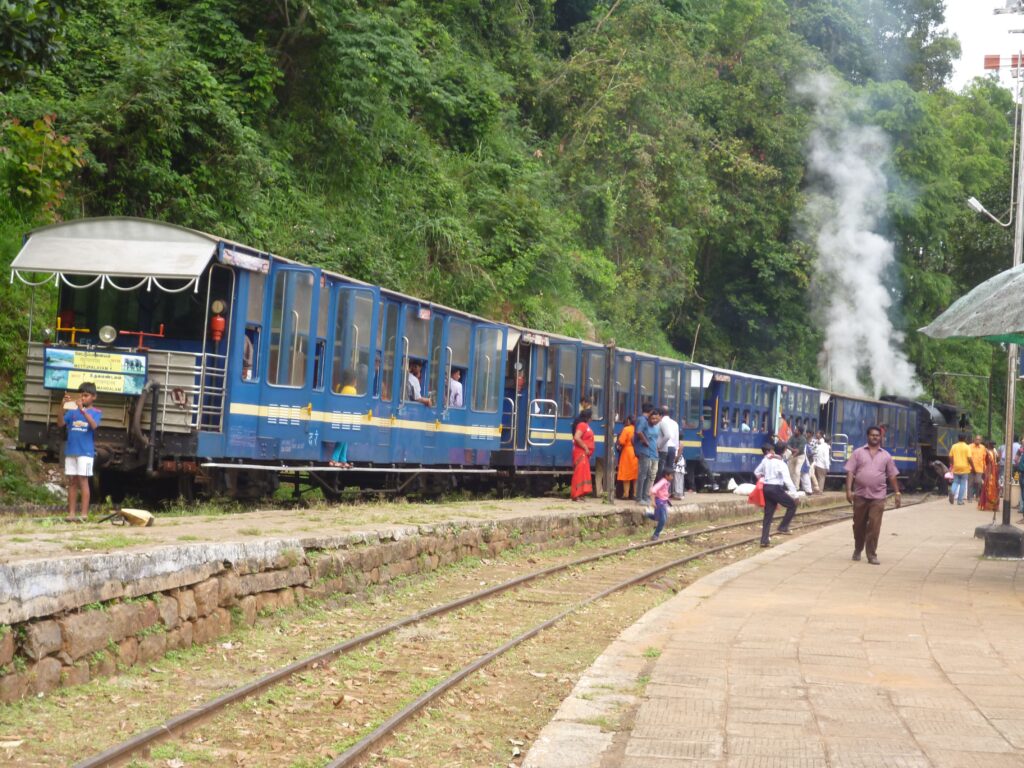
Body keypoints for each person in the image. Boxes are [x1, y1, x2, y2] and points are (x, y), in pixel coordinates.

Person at [845, 425, 901, 565]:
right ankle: (858, 548)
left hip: (878, 496)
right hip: (860, 495)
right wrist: (848, 490)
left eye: (877, 435)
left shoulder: (886, 455)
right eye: (872, 435)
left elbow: (892, 475)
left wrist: (897, 492)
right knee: (858, 525)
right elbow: (850, 472)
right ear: (867, 436)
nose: (875, 437)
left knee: (874, 526)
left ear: (880, 437)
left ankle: (872, 555)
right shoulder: (858, 453)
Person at [60, 382, 101, 523]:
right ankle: (71, 513)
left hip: (86, 452)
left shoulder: (96, 412)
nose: (83, 398)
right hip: (72, 450)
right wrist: (62, 407)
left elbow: (94, 426)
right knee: (72, 481)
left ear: (93, 397)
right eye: (81, 395)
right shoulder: (72, 412)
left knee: (83, 480)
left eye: (86, 395)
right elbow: (60, 423)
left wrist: (83, 411)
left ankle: (83, 514)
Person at [753, 441, 798, 548]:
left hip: (766, 488)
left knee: (768, 515)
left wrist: (763, 479)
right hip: (775, 488)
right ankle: (783, 527)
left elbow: (756, 472)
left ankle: (764, 540)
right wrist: (795, 495)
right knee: (792, 505)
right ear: (783, 451)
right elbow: (787, 480)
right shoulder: (781, 463)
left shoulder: (766, 460)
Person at [330, 370, 358, 468]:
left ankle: (343, 460)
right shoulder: (352, 390)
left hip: (339, 416)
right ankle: (334, 459)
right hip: (347, 417)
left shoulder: (339, 387)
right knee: (343, 440)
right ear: (353, 380)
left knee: (345, 439)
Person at [634, 407, 660, 503]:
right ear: (649, 417)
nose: (654, 420)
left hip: (653, 453)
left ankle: (645, 496)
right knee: (643, 475)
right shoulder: (644, 424)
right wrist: (645, 442)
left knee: (649, 475)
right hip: (645, 452)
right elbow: (638, 434)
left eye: (656, 419)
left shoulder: (656, 427)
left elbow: (655, 440)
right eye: (652, 418)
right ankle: (639, 498)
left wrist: (656, 450)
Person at [570, 408, 595, 501]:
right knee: (579, 473)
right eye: (591, 417)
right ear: (588, 418)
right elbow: (577, 437)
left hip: (584, 454)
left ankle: (580, 494)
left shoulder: (585, 425)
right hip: (580, 452)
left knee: (584, 473)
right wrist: (585, 447)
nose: (592, 419)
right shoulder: (582, 425)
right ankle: (576, 495)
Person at [645, 470, 673, 540]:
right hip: (660, 503)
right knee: (662, 519)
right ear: (666, 475)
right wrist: (653, 501)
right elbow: (653, 490)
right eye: (671, 475)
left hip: (663, 502)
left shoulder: (666, 482)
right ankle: (656, 535)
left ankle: (646, 513)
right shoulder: (663, 482)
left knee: (658, 517)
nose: (672, 477)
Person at [616, 415, 638, 500]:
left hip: (627, 452)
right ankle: (635, 494)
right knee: (635, 475)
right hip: (636, 452)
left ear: (628, 421)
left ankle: (626, 494)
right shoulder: (638, 429)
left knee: (626, 474)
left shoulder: (626, 429)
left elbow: (621, 441)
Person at [656, 405, 679, 478]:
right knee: (669, 471)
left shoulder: (659, 422)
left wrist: (658, 446)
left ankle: (659, 487)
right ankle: (666, 488)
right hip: (672, 449)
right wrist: (676, 453)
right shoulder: (675, 423)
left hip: (662, 449)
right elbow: (676, 439)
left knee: (660, 470)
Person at [949, 433, 971, 505]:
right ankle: (960, 501)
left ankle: (952, 491)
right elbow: (969, 458)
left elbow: (950, 456)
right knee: (962, 484)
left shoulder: (954, 446)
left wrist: (952, 464)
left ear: (958, 438)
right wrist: (971, 465)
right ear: (965, 439)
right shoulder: (967, 447)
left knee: (955, 482)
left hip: (956, 467)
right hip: (965, 468)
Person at [978, 440, 1000, 512]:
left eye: (994, 445)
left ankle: (993, 505)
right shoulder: (986, 452)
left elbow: (998, 460)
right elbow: (986, 462)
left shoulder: (994, 451)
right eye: (992, 445)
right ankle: (986, 505)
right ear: (989, 445)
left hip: (994, 471)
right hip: (989, 471)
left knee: (994, 487)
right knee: (987, 486)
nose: (993, 446)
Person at [968, 434, 987, 501]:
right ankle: (969, 497)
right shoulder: (969, 446)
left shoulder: (983, 448)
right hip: (970, 468)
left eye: (979, 439)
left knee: (978, 482)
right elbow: (968, 457)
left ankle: (977, 496)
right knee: (970, 483)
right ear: (974, 439)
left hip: (979, 468)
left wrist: (985, 468)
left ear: (981, 441)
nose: (977, 440)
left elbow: (984, 458)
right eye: (976, 439)